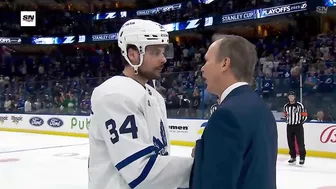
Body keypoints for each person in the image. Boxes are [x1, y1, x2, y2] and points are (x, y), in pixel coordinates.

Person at [88, 19, 193, 189]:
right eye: (156, 52)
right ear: (133, 55)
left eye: (164, 52)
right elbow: (140, 172)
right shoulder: (114, 94)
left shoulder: (154, 95)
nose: (164, 59)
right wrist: (200, 166)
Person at [190, 35, 278, 189]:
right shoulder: (261, 108)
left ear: (225, 63)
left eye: (207, 60)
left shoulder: (226, 115)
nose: (202, 68)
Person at [283, 91, 307, 165]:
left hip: (298, 126)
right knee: (290, 142)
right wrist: (287, 121)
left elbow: (304, 115)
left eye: (292, 96)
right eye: (289, 96)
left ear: (294, 97)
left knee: (300, 142)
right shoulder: (286, 106)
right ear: (288, 97)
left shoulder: (300, 105)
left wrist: (300, 122)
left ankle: (302, 158)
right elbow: (285, 115)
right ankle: (293, 157)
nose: (291, 97)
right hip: (289, 126)